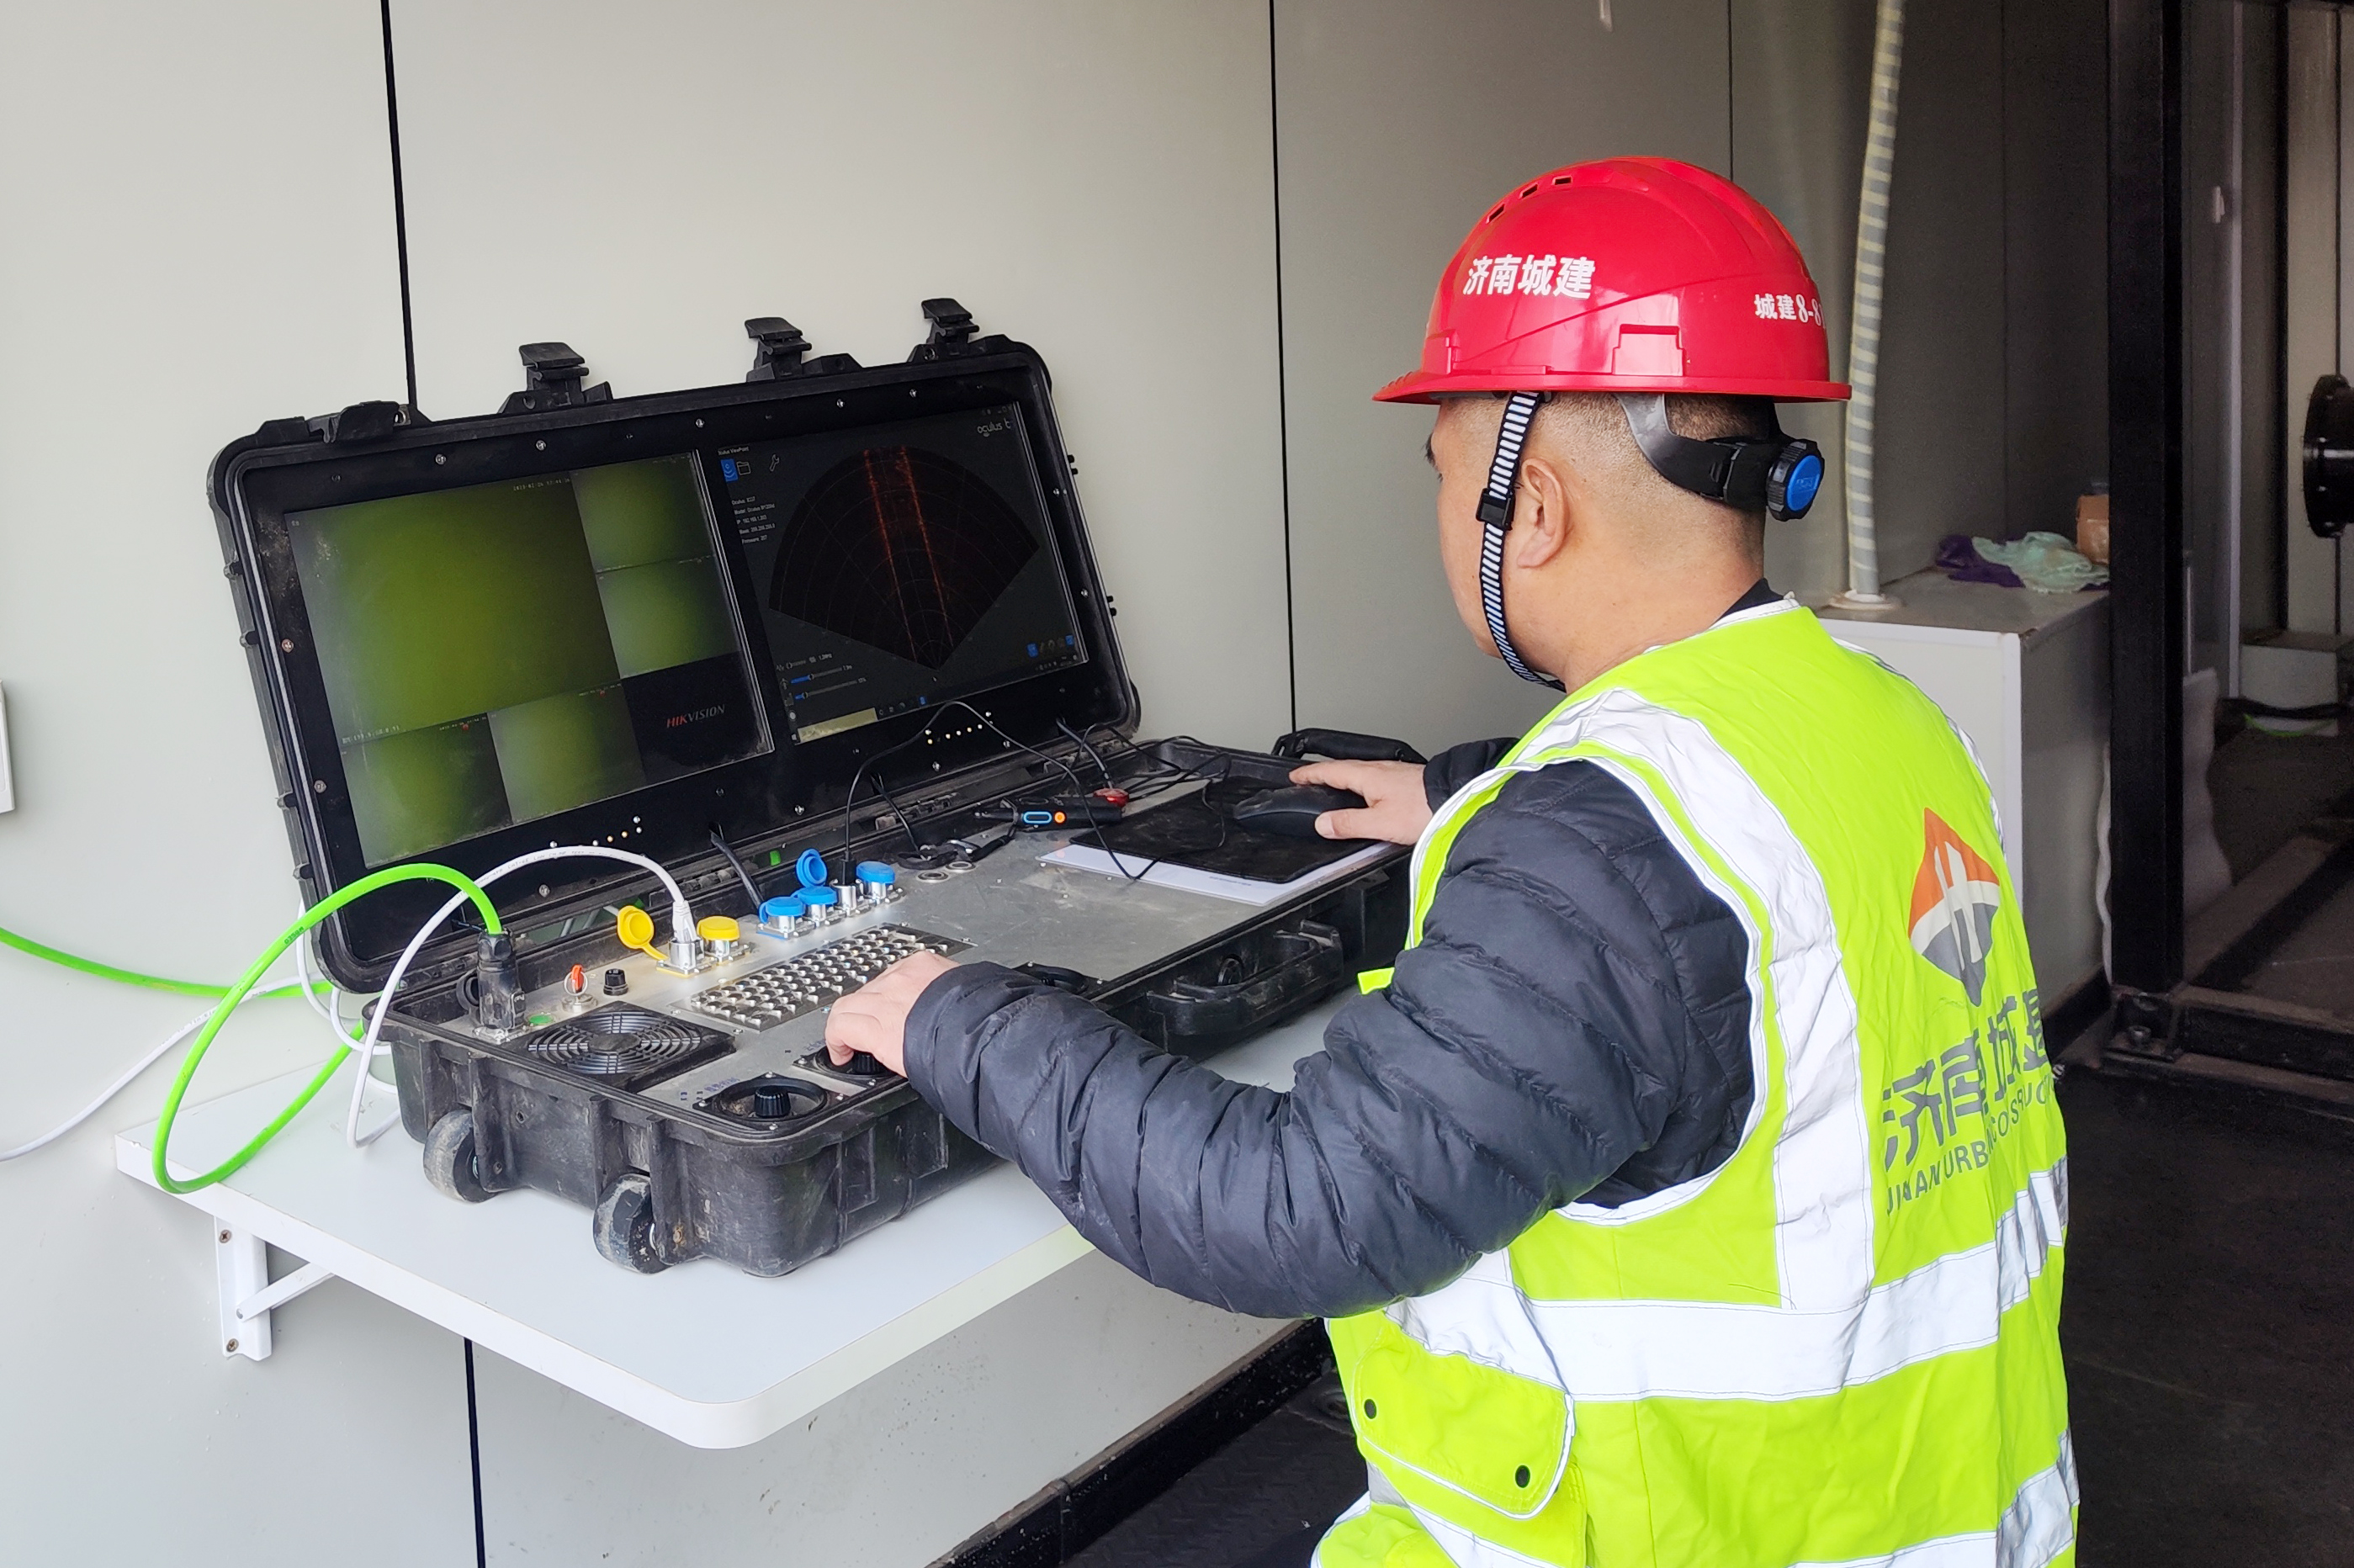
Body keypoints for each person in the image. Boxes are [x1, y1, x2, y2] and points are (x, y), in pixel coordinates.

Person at [827, 157, 2073, 1568]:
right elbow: (1720, 852)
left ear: (1528, 508)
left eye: (1443, 475)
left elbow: (1296, 1210)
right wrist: (1466, 793)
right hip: (1950, 1513)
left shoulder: (1597, 848)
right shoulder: (1882, 716)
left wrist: (963, 1021)